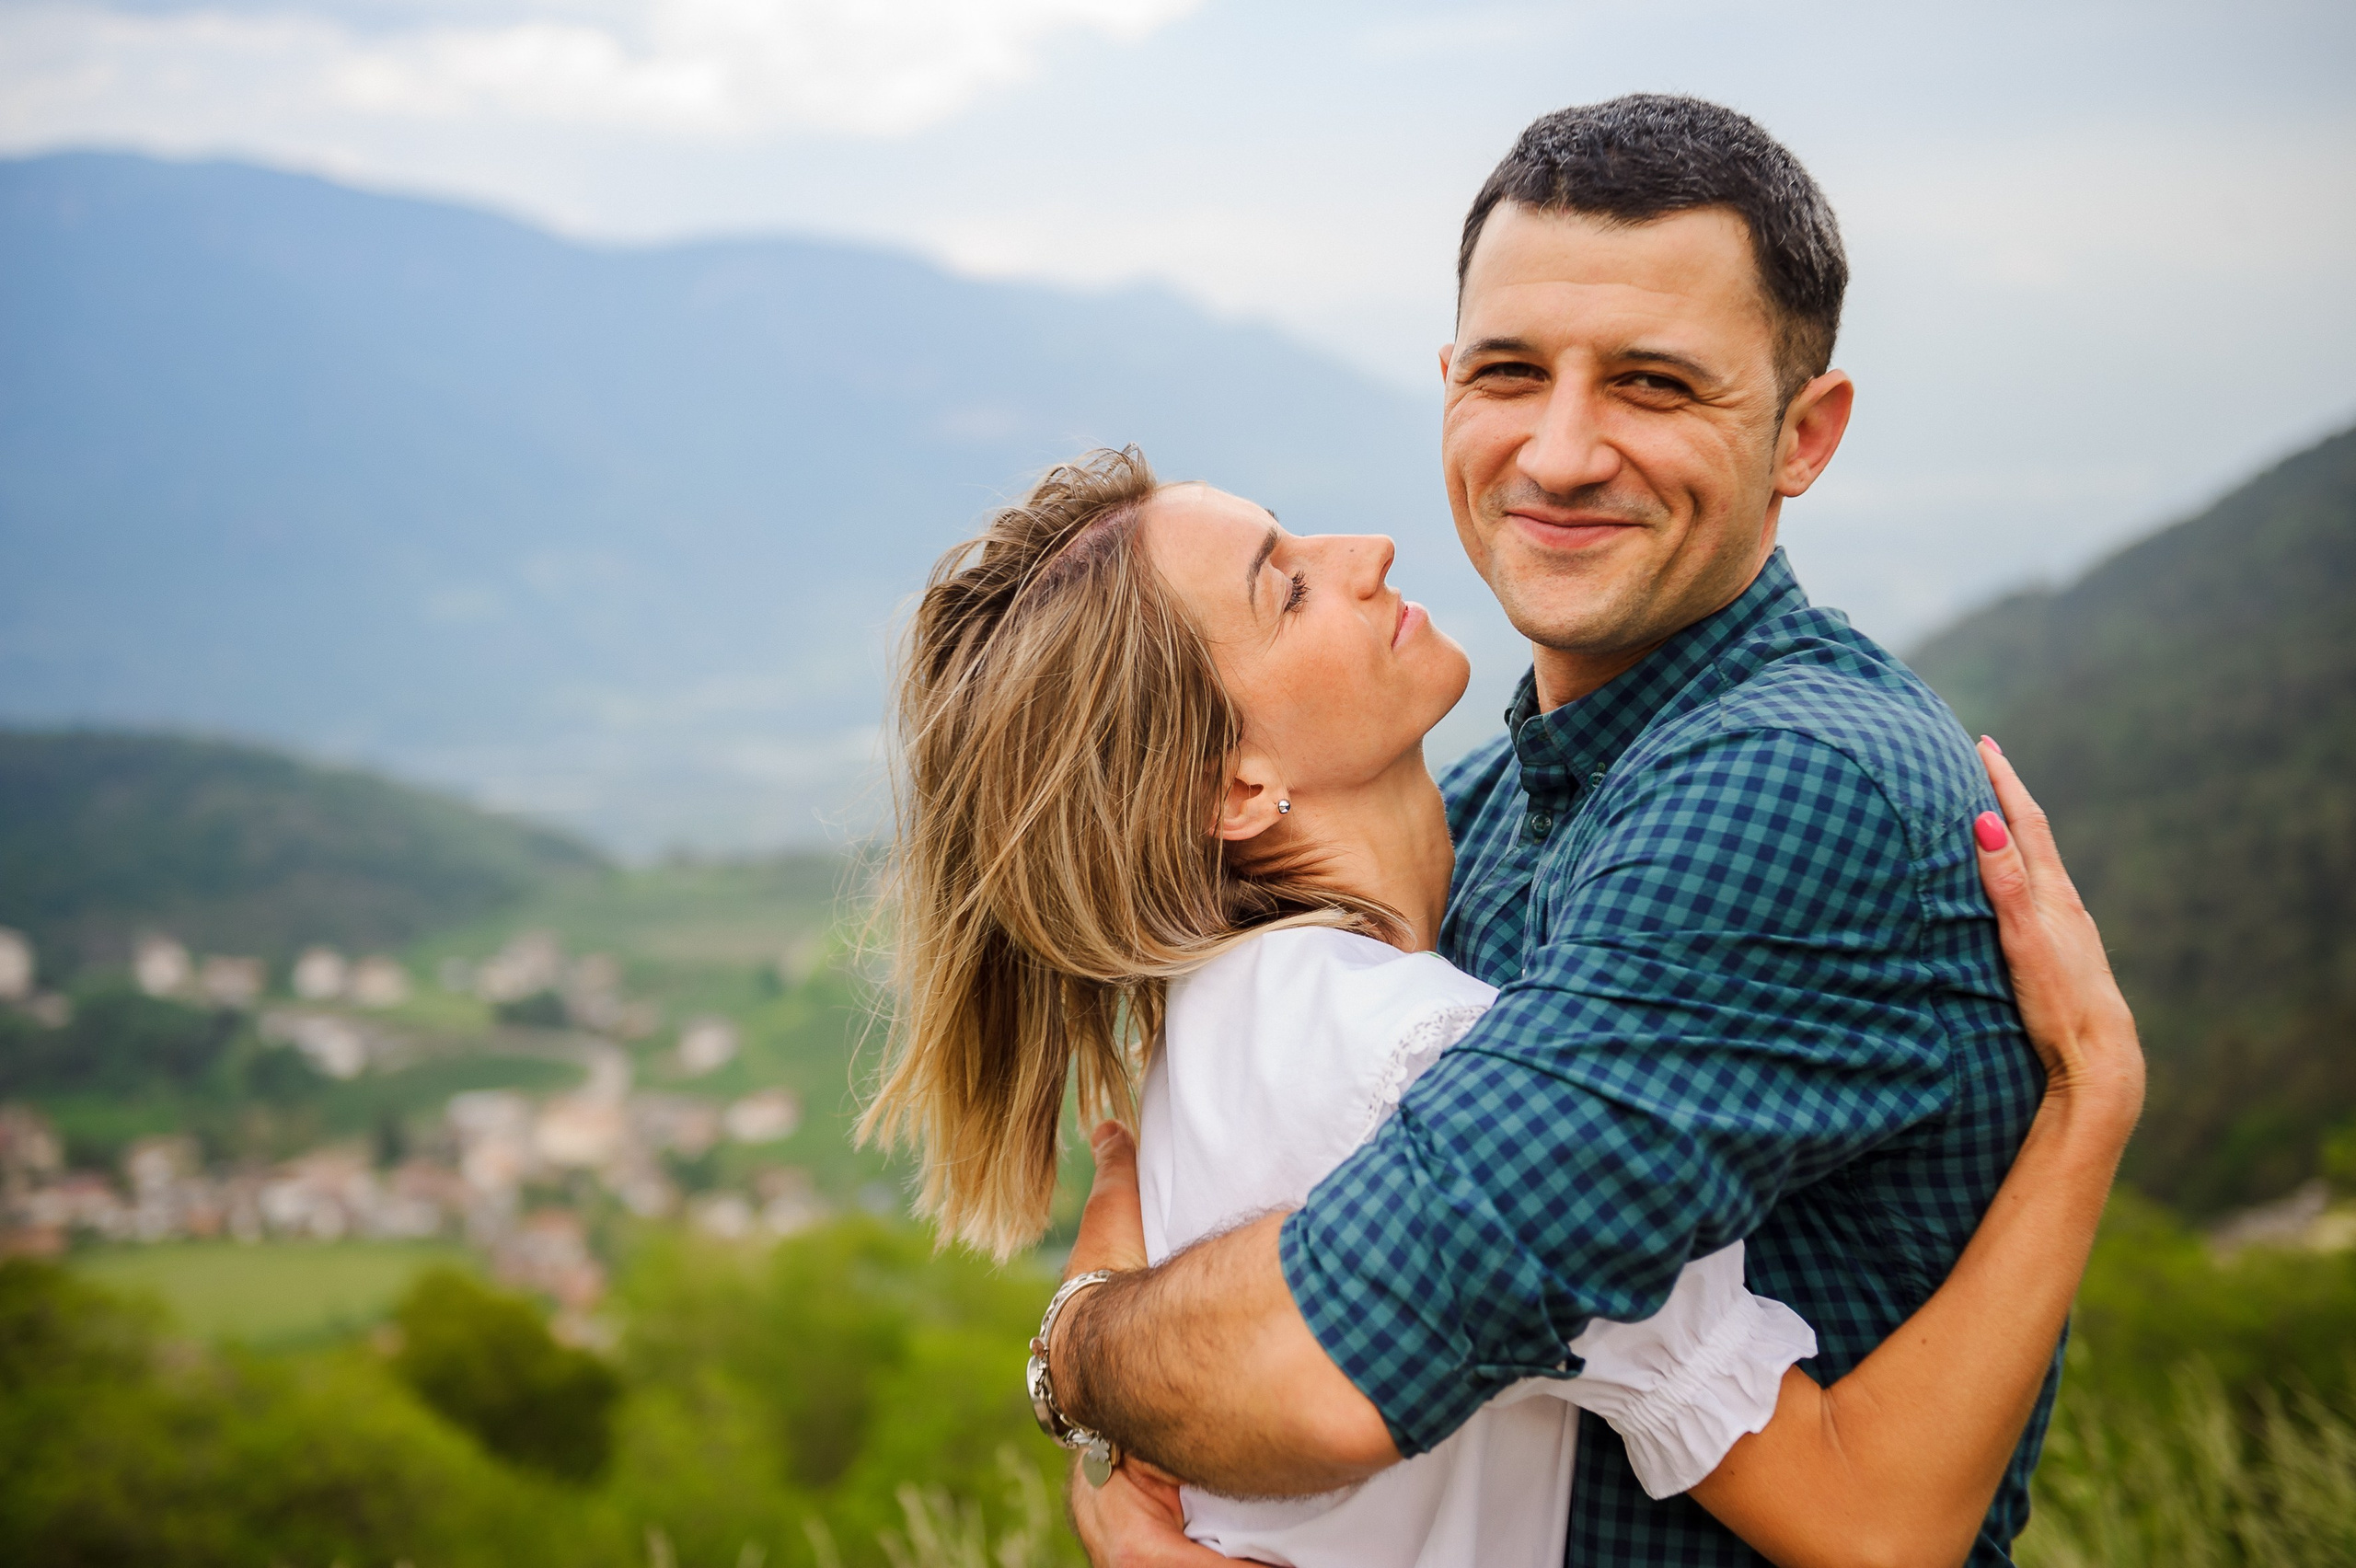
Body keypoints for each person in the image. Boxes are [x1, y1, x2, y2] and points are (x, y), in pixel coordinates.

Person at [997, 94, 2130, 1564]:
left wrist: (1081, 1360)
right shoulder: (1470, 816)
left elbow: (1317, 1366)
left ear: (1806, 433)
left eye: (1654, 385)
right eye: (1511, 372)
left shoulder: (1790, 787)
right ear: (1450, 382)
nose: (1562, 450)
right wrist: (1117, 1442)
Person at [860, 446, 2142, 1565]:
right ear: (1237, 787)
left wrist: (1082, 1347)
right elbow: (1873, 1519)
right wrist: (2088, 1102)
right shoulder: (1410, 1053)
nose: (1368, 551)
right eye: (1286, 584)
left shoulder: (1224, 1020)